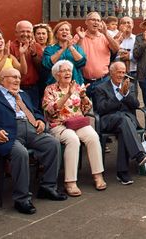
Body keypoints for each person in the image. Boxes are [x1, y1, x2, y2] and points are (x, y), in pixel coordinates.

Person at [0, 67, 66, 214]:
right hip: (8, 133)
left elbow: (35, 111)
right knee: (21, 153)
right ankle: (22, 199)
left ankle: (48, 187)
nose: (17, 80)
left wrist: (40, 120)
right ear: (2, 79)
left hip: (31, 129)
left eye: (19, 77)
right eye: (13, 77)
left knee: (52, 144)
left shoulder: (24, 94)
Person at [42, 60, 106, 196]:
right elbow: (50, 111)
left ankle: (98, 175)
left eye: (69, 71)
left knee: (93, 136)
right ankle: (70, 182)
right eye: (64, 71)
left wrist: (83, 96)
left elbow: (86, 108)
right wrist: (67, 95)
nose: (67, 73)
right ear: (56, 74)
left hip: (77, 123)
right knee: (73, 140)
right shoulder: (50, 89)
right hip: (59, 125)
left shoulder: (76, 87)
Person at [92, 62, 146, 185]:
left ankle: (123, 172)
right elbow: (101, 108)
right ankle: (139, 155)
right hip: (109, 120)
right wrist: (119, 95)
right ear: (111, 72)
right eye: (119, 72)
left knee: (125, 125)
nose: (121, 75)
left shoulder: (130, 85)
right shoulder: (100, 88)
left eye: (124, 72)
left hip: (127, 120)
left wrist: (126, 93)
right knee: (124, 121)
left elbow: (136, 105)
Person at [76, 12, 120, 84]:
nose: (96, 22)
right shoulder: (79, 36)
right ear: (86, 22)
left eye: (98, 20)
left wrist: (106, 33)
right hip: (84, 81)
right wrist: (80, 39)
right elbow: (75, 56)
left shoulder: (104, 37)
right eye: (93, 20)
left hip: (103, 81)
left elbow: (116, 49)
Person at [10, 20, 42, 104]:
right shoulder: (11, 46)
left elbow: (41, 68)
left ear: (32, 33)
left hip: (33, 88)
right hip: (16, 87)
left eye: (28, 31)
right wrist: (21, 54)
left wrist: (34, 54)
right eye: (22, 31)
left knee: (33, 113)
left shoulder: (36, 46)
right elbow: (10, 67)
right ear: (16, 33)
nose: (25, 34)